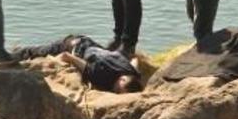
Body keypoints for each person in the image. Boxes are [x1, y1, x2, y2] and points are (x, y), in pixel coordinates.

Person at [12, 36, 143, 93]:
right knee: (37, 52)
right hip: (73, 44)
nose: (116, 91)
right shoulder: (100, 75)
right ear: (123, 78)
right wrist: (53, 61)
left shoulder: (131, 72)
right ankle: (16, 53)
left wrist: (134, 72)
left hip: (92, 44)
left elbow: (135, 60)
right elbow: (67, 56)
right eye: (119, 89)